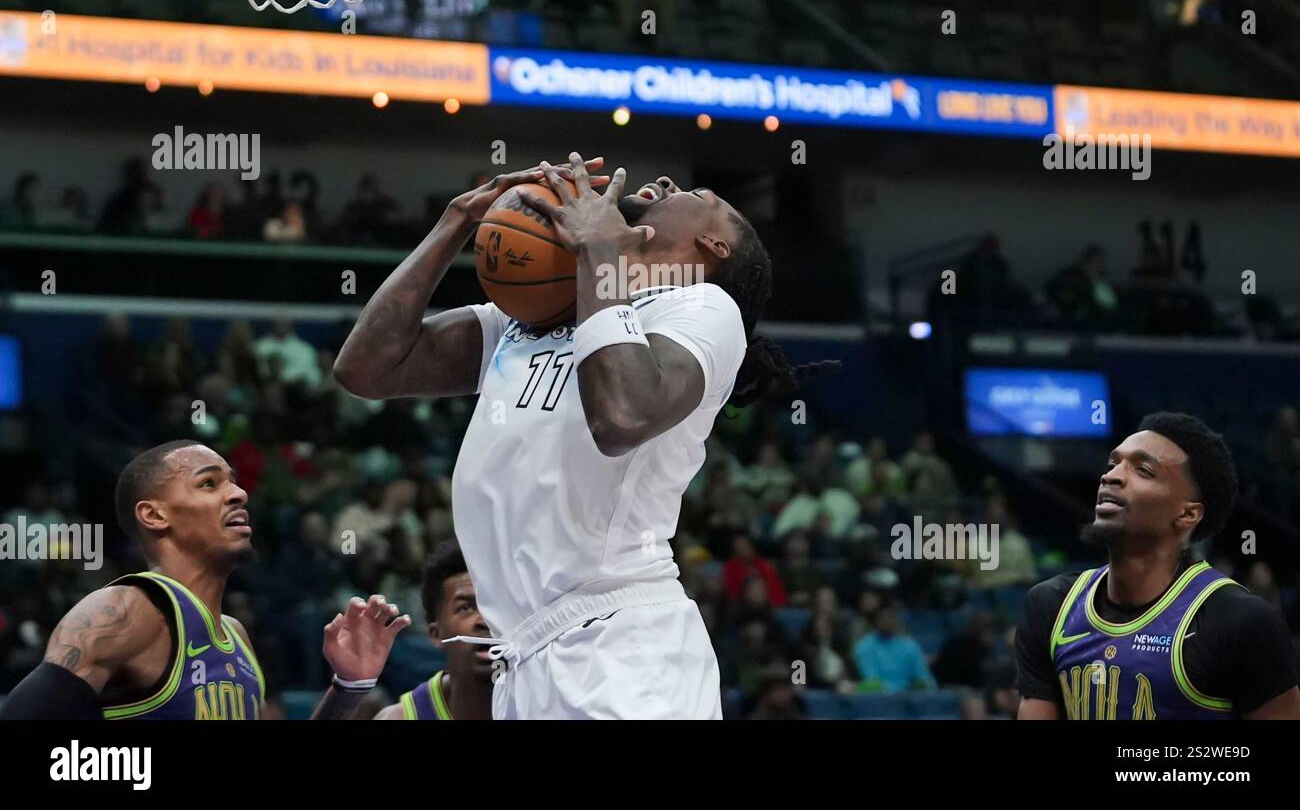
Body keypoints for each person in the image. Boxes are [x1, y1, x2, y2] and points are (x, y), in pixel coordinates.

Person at [335, 153, 835, 718]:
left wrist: (601, 252)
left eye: (704, 200)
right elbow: (367, 368)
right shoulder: (539, 313)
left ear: (714, 248)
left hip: (623, 650)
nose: (669, 182)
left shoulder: (701, 306)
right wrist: (455, 224)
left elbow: (621, 417)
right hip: (523, 658)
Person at [0, 440, 410, 719]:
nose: (237, 494)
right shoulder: (124, 612)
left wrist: (348, 686)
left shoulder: (236, 635)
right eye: (209, 483)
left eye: (233, 480)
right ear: (155, 515)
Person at [1015, 413, 1300, 719]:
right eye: (1113, 464)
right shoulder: (1050, 606)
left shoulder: (1240, 621)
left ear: (1187, 514)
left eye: (1143, 470)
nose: (1111, 476)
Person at [375, 540, 494, 720]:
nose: (485, 621)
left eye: (494, 606)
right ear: (437, 635)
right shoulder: (400, 717)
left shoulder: (547, 700)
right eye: (466, 608)